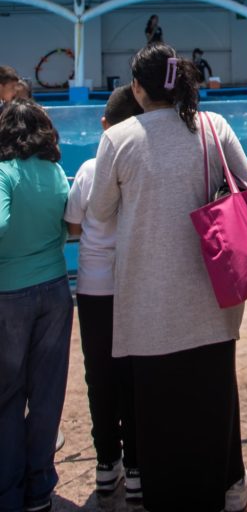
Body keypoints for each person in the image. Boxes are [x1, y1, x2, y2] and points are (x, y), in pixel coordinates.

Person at [89, 43, 247, 512]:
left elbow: (100, 212)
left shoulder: (118, 139)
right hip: (213, 297)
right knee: (212, 406)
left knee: (159, 418)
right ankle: (222, 489)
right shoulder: (213, 126)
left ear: (138, 88)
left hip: (148, 306)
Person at [64, 85, 143, 500]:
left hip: (93, 289)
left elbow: (73, 226)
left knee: (99, 377)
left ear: (104, 126)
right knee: (132, 375)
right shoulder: (142, 166)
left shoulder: (91, 169)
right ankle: (135, 469)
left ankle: (105, 463)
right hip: (132, 287)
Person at [0, 99, 73, 512]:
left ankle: (8, 493)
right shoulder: (55, 171)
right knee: (46, 395)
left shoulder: (3, 173)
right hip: (56, 289)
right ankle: (40, 490)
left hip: (9, 293)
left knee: (7, 396)